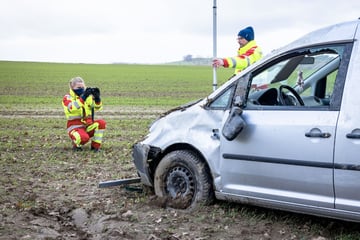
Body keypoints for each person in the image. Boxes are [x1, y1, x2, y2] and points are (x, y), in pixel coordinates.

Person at [62, 77, 106, 152]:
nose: (81, 89)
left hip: (87, 125)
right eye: (79, 87)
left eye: (83, 87)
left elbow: (97, 107)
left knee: (101, 123)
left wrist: (97, 99)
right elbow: (72, 108)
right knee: (84, 138)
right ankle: (76, 145)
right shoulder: (67, 98)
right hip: (74, 127)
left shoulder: (88, 97)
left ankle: (95, 147)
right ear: (72, 87)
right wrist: (83, 98)